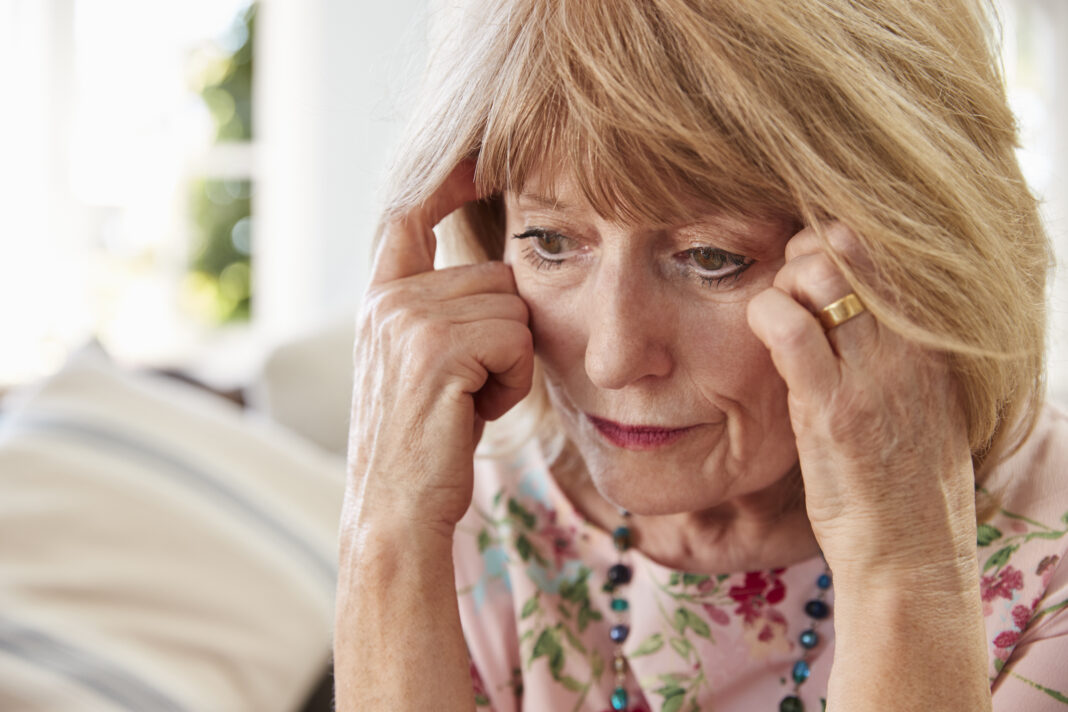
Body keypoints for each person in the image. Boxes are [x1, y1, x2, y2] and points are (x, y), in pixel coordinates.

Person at [334, 0, 1068, 710]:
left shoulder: (1047, 571)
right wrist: (386, 535)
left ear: (902, 255)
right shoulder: (468, 510)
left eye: (711, 256)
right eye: (552, 243)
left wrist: (906, 569)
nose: (613, 360)